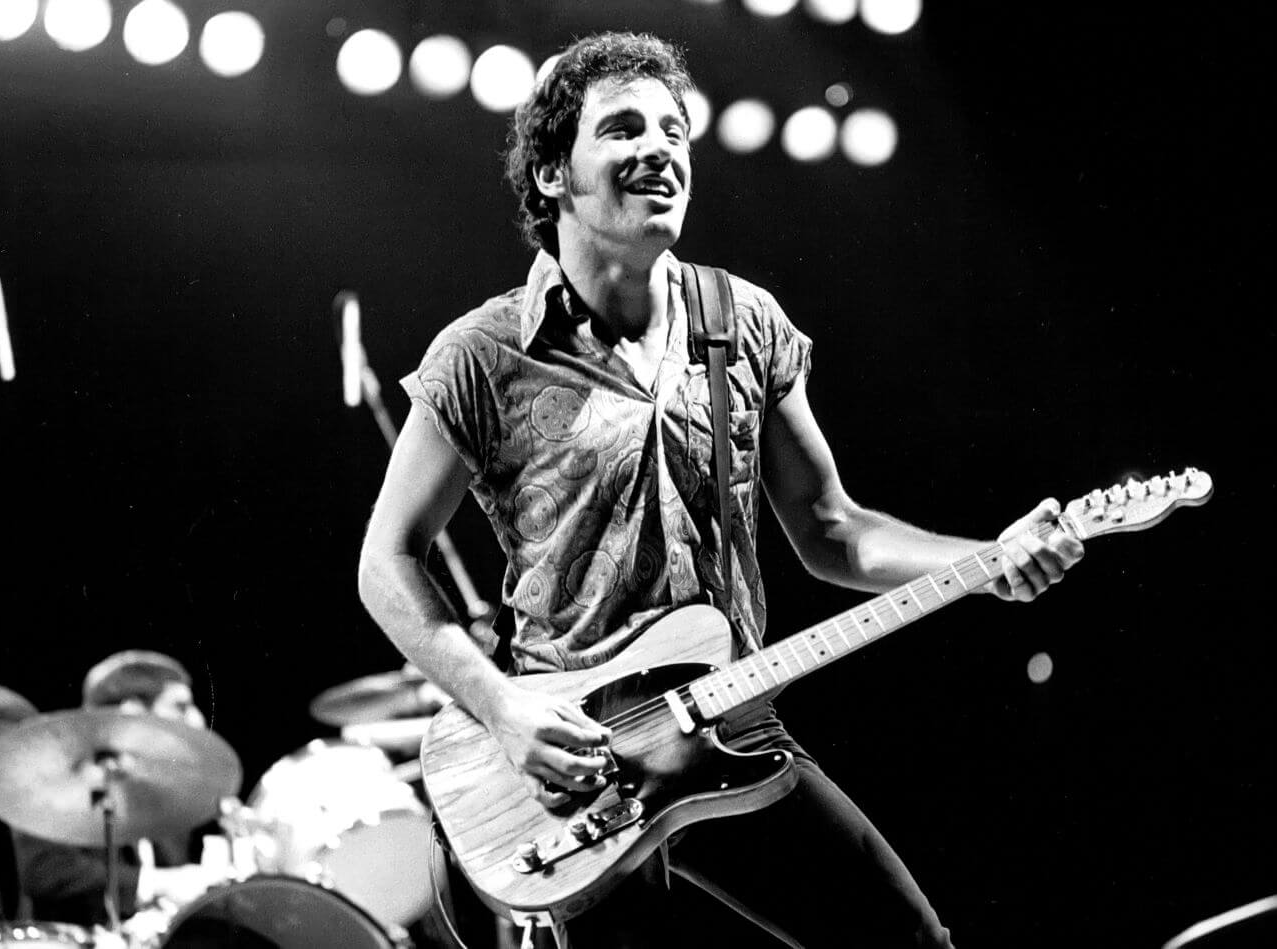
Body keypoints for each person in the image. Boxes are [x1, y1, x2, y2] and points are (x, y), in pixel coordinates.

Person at [358, 32, 1084, 948]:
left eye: (675, 130)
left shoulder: (741, 321)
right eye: (623, 129)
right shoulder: (482, 353)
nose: (660, 148)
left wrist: (986, 559)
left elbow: (832, 528)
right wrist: (500, 707)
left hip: (729, 722)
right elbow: (385, 560)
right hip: (577, 763)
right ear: (551, 175)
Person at [12, 650, 222, 927]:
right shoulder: (53, 776)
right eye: (180, 706)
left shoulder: (168, 790)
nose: (196, 721)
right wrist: (156, 883)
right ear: (132, 712)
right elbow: (46, 872)